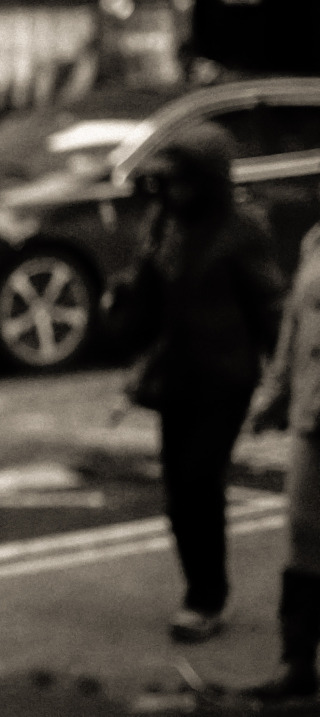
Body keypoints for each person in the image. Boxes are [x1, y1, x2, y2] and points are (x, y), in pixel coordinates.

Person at [111, 120, 285, 644]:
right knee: (178, 494)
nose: (174, 191)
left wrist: (283, 383)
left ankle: (207, 597)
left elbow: (269, 306)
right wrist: (123, 301)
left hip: (224, 380)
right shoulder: (165, 223)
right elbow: (148, 294)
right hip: (176, 380)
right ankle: (199, 589)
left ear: (208, 181)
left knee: (199, 483)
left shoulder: (242, 229)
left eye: (185, 181)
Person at [240, 220, 320, 703]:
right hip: (313, 414)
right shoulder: (315, 239)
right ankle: (297, 664)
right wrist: (274, 394)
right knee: (305, 534)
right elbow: (295, 321)